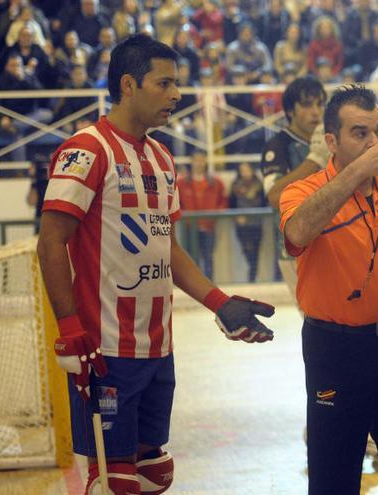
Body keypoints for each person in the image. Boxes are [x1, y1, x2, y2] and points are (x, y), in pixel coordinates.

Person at [36, 34, 276, 495]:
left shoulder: (163, 158)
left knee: (154, 474)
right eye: (164, 83)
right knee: (113, 482)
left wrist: (220, 303)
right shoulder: (86, 151)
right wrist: (68, 326)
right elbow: (51, 244)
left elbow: (167, 247)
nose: (176, 94)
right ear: (128, 84)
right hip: (104, 349)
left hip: (158, 346)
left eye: (177, 84)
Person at [279, 85, 378, 495]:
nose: (375, 142)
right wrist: (358, 171)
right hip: (334, 350)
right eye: (360, 133)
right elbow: (297, 231)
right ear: (331, 141)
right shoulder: (301, 192)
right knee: (333, 478)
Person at [260, 75, 327, 285]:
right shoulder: (277, 146)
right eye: (307, 105)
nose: (316, 111)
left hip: (330, 243)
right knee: (315, 316)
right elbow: (274, 197)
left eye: (320, 104)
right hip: (294, 251)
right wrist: (316, 159)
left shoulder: (330, 139)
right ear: (290, 111)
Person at [177, 150, 227, 280]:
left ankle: (209, 287)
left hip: (209, 228)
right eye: (196, 160)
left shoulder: (216, 183)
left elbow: (223, 202)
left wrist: (214, 217)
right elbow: (176, 203)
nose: (199, 163)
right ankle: (194, 286)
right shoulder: (181, 183)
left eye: (201, 160)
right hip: (189, 228)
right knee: (191, 259)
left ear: (205, 162)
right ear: (191, 162)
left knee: (208, 258)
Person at [228, 162, 266, 282]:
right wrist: (237, 217)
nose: (245, 173)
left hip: (256, 224)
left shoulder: (259, 185)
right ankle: (252, 275)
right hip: (242, 226)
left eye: (247, 170)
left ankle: (252, 278)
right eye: (242, 170)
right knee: (247, 251)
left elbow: (264, 203)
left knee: (256, 251)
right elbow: (231, 205)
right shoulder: (235, 186)